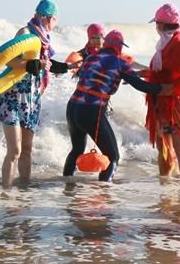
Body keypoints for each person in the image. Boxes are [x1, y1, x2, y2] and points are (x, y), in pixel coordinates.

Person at [63, 30, 169, 182]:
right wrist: (162, 90)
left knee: (77, 150)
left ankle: (66, 185)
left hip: (72, 108)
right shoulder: (119, 63)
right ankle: (105, 190)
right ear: (119, 47)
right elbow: (139, 85)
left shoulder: (91, 57)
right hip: (91, 110)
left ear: (105, 44)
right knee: (113, 156)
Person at [0, 0, 70, 187]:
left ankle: (23, 192)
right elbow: (8, 61)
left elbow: (46, 64)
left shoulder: (45, 38)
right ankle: (5, 195)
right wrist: (35, 64)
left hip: (32, 98)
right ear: (48, 17)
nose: (56, 24)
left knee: (27, 150)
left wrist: (67, 67)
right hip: (13, 96)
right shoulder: (25, 33)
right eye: (56, 19)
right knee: (14, 150)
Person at [144, 3, 180, 181]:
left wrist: (174, 88)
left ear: (161, 25)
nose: (156, 27)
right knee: (163, 143)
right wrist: (144, 74)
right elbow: (163, 71)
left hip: (177, 104)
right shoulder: (164, 43)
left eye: (157, 23)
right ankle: (165, 182)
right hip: (162, 102)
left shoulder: (179, 42)